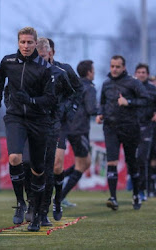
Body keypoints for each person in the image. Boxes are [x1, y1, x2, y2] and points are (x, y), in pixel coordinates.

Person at [0, 27, 56, 232]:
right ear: (18, 42)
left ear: (35, 43)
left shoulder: (44, 68)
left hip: (38, 121)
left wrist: (30, 100)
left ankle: (37, 213)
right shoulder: (8, 62)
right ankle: (20, 203)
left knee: (38, 169)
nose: (26, 46)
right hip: (15, 117)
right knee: (14, 158)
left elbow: (50, 99)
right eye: (22, 42)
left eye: (29, 42)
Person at [23, 37, 75, 226]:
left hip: (52, 126)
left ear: (50, 53)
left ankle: (42, 213)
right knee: (27, 162)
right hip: (30, 124)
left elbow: (73, 94)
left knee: (48, 168)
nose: (41, 60)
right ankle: (31, 203)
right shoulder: (24, 71)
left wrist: (63, 112)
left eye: (44, 56)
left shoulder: (61, 72)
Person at [96, 55, 149, 210]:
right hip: (111, 128)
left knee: (132, 162)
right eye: (112, 66)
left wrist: (129, 102)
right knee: (111, 161)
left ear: (124, 67)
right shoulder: (106, 84)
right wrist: (100, 114)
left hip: (130, 127)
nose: (114, 69)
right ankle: (113, 198)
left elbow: (146, 100)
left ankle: (136, 194)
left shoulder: (133, 82)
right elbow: (103, 104)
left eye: (118, 66)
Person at [47, 38, 84, 213]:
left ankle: (58, 199)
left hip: (60, 123)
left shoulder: (65, 70)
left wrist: (70, 109)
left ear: (52, 52)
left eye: (46, 51)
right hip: (39, 122)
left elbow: (78, 90)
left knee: (56, 164)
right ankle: (37, 200)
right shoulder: (31, 71)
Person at [57, 60, 100, 205]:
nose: (94, 73)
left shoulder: (74, 84)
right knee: (83, 164)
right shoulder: (90, 87)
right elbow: (91, 109)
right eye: (93, 70)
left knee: (83, 163)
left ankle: (55, 186)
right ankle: (59, 196)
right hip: (79, 129)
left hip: (71, 127)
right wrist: (105, 110)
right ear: (89, 72)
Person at [134, 64, 156, 201]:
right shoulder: (130, 87)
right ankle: (135, 189)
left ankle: (142, 190)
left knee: (142, 159)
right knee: (133, 160)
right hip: (130, 128)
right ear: (135, 73)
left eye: (144, 72)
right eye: (139, 72)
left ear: (147, 74)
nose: (141, 74)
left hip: (146, 127)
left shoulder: (153, 90)